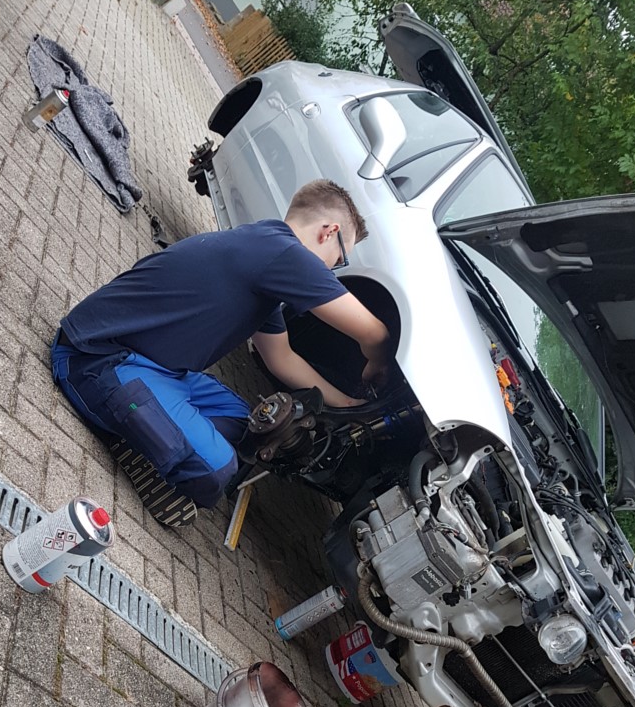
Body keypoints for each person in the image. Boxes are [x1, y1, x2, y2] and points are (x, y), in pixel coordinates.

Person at [51, 179, 391, 527]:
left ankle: (150, 437)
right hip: (96, 358)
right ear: (329, 231)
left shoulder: (264, 254)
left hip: (163, 371)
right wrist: (376, 367)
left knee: (251, 430)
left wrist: (349, 407)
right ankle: (143, 444)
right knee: (215, 469)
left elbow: (282, 359)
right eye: (340, 258)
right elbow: (374, 333)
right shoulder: (283, 254)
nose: (333, 269)